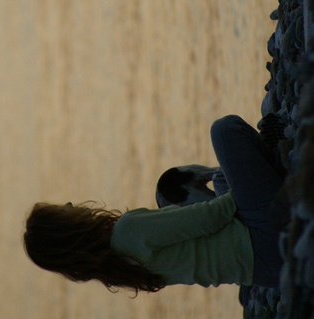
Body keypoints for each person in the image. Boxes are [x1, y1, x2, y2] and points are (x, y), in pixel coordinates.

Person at [23, 115, 286, 294]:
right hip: (264, 235)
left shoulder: (120, 269)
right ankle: (273, 158)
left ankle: (267, 169)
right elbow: (213, 217)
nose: (69, 203)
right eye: (62, 209)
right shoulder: (128, 230)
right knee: (224, 129)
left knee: (222, 179)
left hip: (267, 273)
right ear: (66, 228)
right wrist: (243, 183)